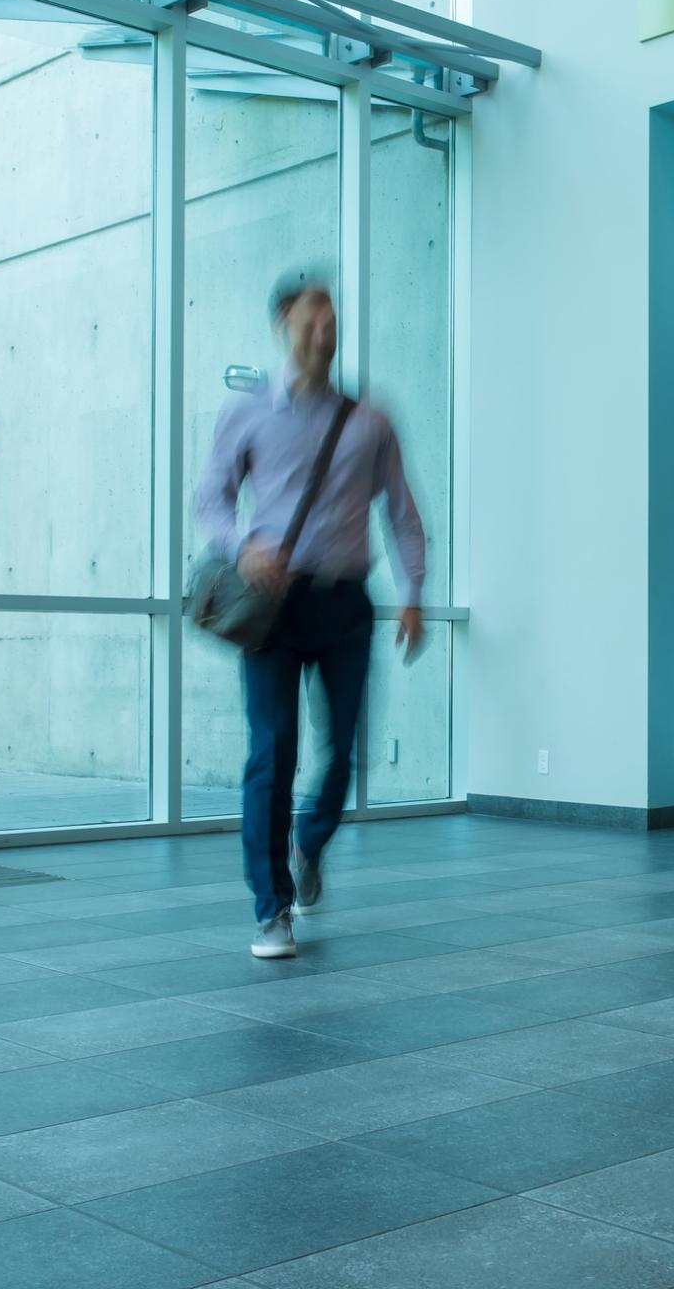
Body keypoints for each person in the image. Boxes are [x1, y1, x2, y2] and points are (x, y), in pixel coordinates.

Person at [196, 269, 425, 958]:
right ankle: (272, 908)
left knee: (344, 752)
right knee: (272, 752)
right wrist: (245, 547)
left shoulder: (370, 420)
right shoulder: (244, 413)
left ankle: (310, 840)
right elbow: (210, 502)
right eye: (309, 321)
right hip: (272, 603)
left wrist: (413, 591)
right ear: (282, 327)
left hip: (347, 604)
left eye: (331, 321)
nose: (324, 333)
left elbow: (404, 514)